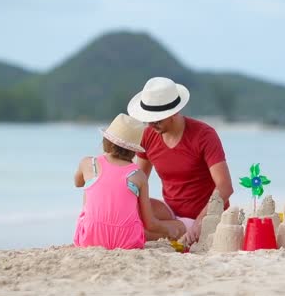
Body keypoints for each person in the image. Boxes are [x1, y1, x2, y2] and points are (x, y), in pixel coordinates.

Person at [127, 77, 234, 246]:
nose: (151, 124)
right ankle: (172, 229)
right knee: (132, 209)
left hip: (204, 216)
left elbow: (225, 187)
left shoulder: (204, 135)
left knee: (140, 232)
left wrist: (199, 223)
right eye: (148, 119)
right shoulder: (148, 135)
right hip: (171, 212)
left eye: (157, 119)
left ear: (174, 113)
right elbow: (137, 181)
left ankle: (179, 229)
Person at [73, 113, 177, 249]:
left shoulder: (88, 163)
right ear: (133, 150)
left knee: (89, 192)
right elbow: (150, 223)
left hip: (90, 238)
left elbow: (78, 183)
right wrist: (169, 231)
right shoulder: (138, 175)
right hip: (127, 241)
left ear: (106, 140)